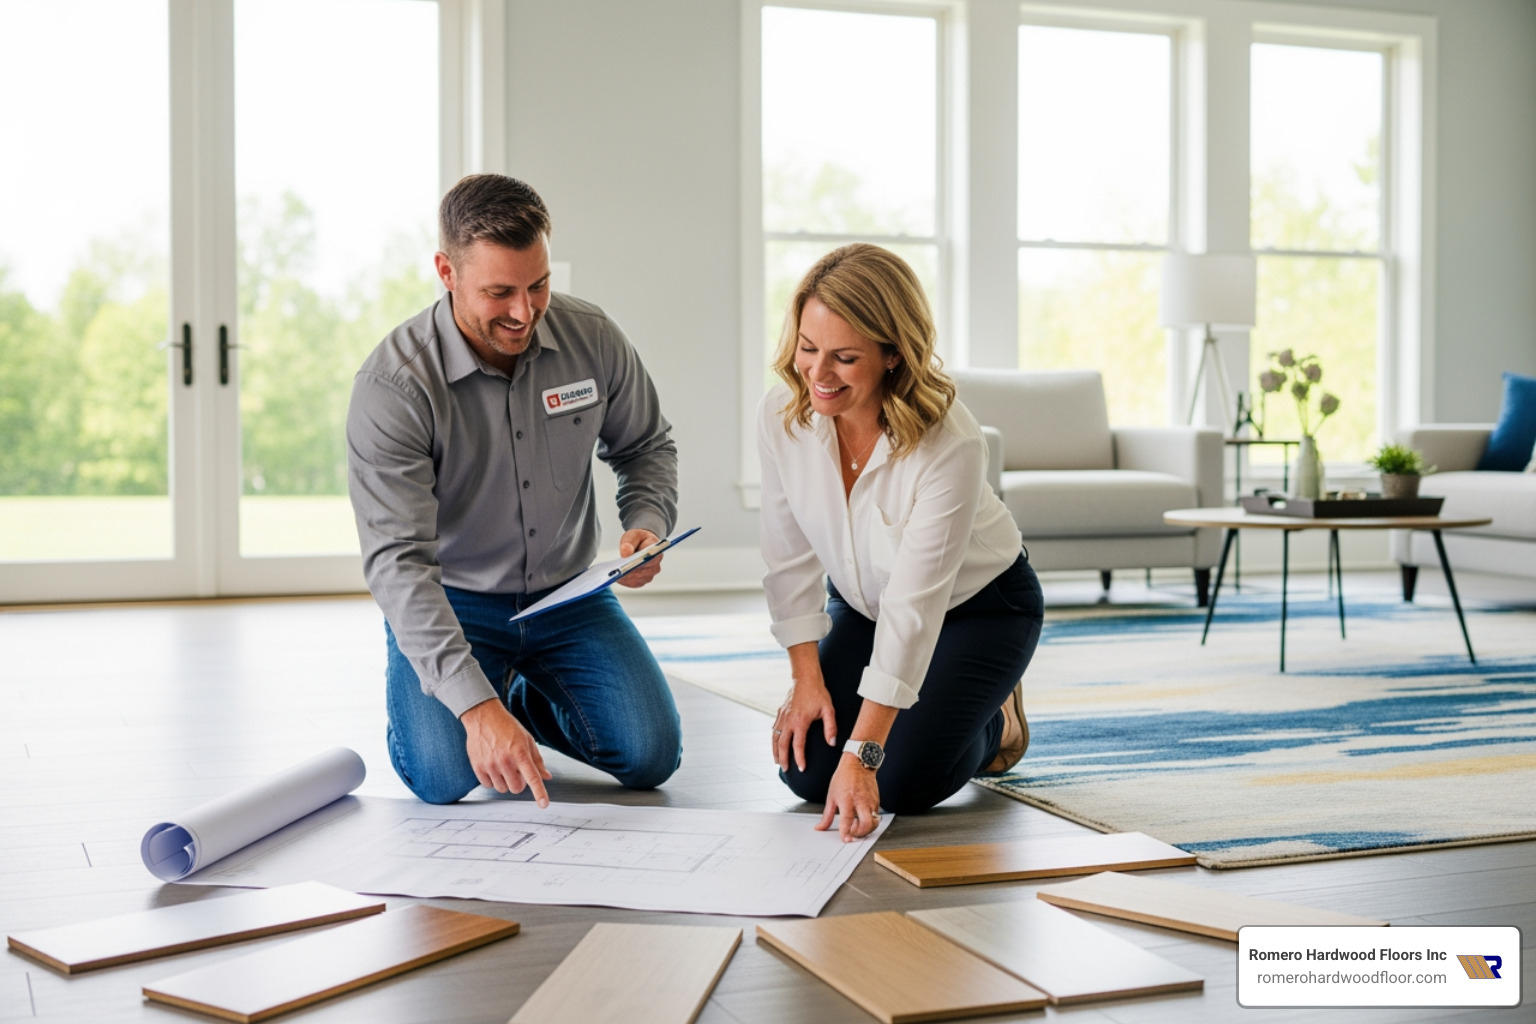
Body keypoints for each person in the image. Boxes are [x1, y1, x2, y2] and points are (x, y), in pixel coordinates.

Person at [347, 173, 682, 807]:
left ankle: (519, 701)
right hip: (455, 601)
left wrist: (646, 518)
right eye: (499, 292)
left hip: (567, 596)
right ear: (447, 271)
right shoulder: (394, 386)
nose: (524, 312)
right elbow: (398, 565)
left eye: (539, 286)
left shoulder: (594, 338)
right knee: (445, 777)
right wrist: (475, 710)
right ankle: (469, 698)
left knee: (650, 756)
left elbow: (646, 446)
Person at [759, 243, 1043, 840]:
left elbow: (915, 608)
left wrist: (865, 754)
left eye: (844, 357)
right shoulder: (784, 416)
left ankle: (996, 720)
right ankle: (938, 714)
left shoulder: (950, 441)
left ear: (892, 354)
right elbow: (788, 559)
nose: (817, 373)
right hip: (863, 605)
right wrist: (806, 680)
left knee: (900, 782)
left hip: (980, 609)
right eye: (808, 349)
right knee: (807, 772)